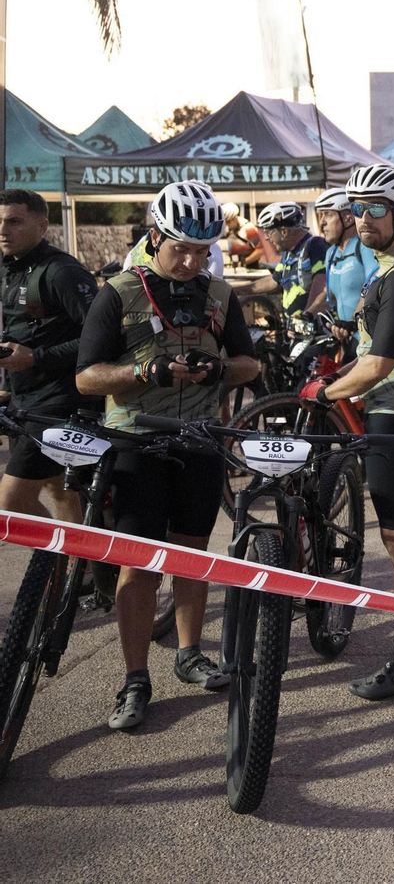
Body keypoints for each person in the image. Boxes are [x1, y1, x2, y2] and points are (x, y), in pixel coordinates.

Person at [76, 180, 261, 729]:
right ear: (155, 237)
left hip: (199, 440)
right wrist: (142, 371)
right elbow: (86, 378)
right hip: (135, 441)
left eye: (201, 251)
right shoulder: (118, 292)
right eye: (180, 248)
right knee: (139, 564)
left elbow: (250, 365)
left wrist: (219, 369)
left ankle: (188, 653)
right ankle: (135, 678)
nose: (189, 261)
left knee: (192, 555)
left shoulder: (220, 296)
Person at [300, 164, 394, 699]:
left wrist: (324, 391)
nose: (362, 219)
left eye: (376, 209)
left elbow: (381, 363)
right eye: (356, 209)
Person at [0, 189, 99, 526]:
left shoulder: (62, 272)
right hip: (24, 400)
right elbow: (19, 335)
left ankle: (53, 564)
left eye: (14, 221)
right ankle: (77, 571)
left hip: (59, 404)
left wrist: (37, 357)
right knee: (61, 492)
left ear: (42, 226)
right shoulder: (10, 269)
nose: (3, 229)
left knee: (9, 504)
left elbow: (102, 341)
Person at [234, 201, 329, 317]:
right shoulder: (289, 252)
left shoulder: (315, 246)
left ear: (284, 231)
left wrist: (307, 315)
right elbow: (274, 281)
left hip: (315, 329)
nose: (267, 239)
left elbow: (321, 284)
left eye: (269, 233)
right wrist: (236, 290)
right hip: (296, 330)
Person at [314, 187, 378, 325]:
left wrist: (352, 321)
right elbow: (329, 293)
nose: (322, 222)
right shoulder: (331, 253)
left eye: (328, 215)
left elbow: (373, 287)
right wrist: (307, 313)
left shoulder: (363, 247)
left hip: (365, 338)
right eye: (321, 215)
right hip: (345, 336)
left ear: (348, 219)